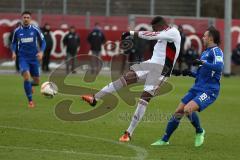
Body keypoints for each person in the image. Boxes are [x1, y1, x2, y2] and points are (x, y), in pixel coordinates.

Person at [82, 16, 181, 142]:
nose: (153, 30)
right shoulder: (163, 34)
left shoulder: (173, 32)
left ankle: (128, 133)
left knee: (143, 100)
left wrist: (131, 33)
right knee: (125, 79)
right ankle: (95, 98)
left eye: (154, 27)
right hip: (150, 64)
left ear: (160, 25)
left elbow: (150, 35)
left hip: (160, 71)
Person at [151, 26, 224, 147]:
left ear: (210, 38)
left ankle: (200, 131)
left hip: (210, 90)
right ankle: (164, 140)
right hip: (198, 87)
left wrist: (202, 62)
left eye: (205, 36)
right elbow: (203, 74)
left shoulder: (216, 51)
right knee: (178, 112)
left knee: (187, 109)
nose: (203, 38)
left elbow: (219, 67)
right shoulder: (205, 53)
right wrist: (187, 73)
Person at [11, 11, 46, 108]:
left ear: (30, 19)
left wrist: (41, 52)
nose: (26, 19)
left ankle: (29, 86)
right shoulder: (17, 31)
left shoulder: (35, 29)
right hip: (22, 58)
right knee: (26, 76)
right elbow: (13, 43)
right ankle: (30, 101)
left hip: (34, 58)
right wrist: (14, 52)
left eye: (28, 17)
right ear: (22, 18)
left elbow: (43, 41)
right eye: (24, 17)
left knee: (37, 82)